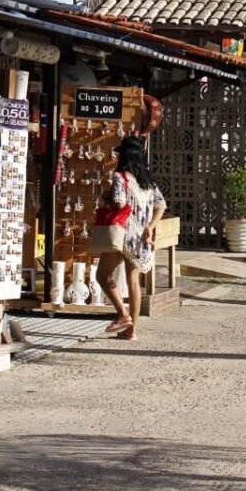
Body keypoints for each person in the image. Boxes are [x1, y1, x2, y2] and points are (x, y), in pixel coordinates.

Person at [96, 136, 167, 340]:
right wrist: (150, 227)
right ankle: (131, 331)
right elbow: (161, 205)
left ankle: (123, 314)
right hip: (141, 238)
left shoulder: (120, 177)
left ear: (124, 155)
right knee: (133, 282)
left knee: (102, 276)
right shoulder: (148, 181)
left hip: (123, 235)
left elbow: (119, 203)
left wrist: (105, 196)